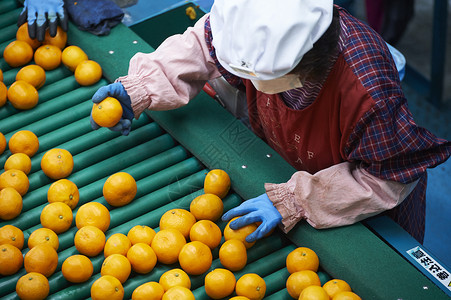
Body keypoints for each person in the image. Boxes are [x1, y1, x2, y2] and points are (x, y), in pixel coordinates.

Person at [90, 0, 451, 244]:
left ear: (307, 62)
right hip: (290, 154)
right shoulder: (252, 15)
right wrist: (142, 87)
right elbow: (203, 45)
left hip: (358, 202)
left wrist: (297, 199)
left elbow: (386, 179)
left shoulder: (367, 90)